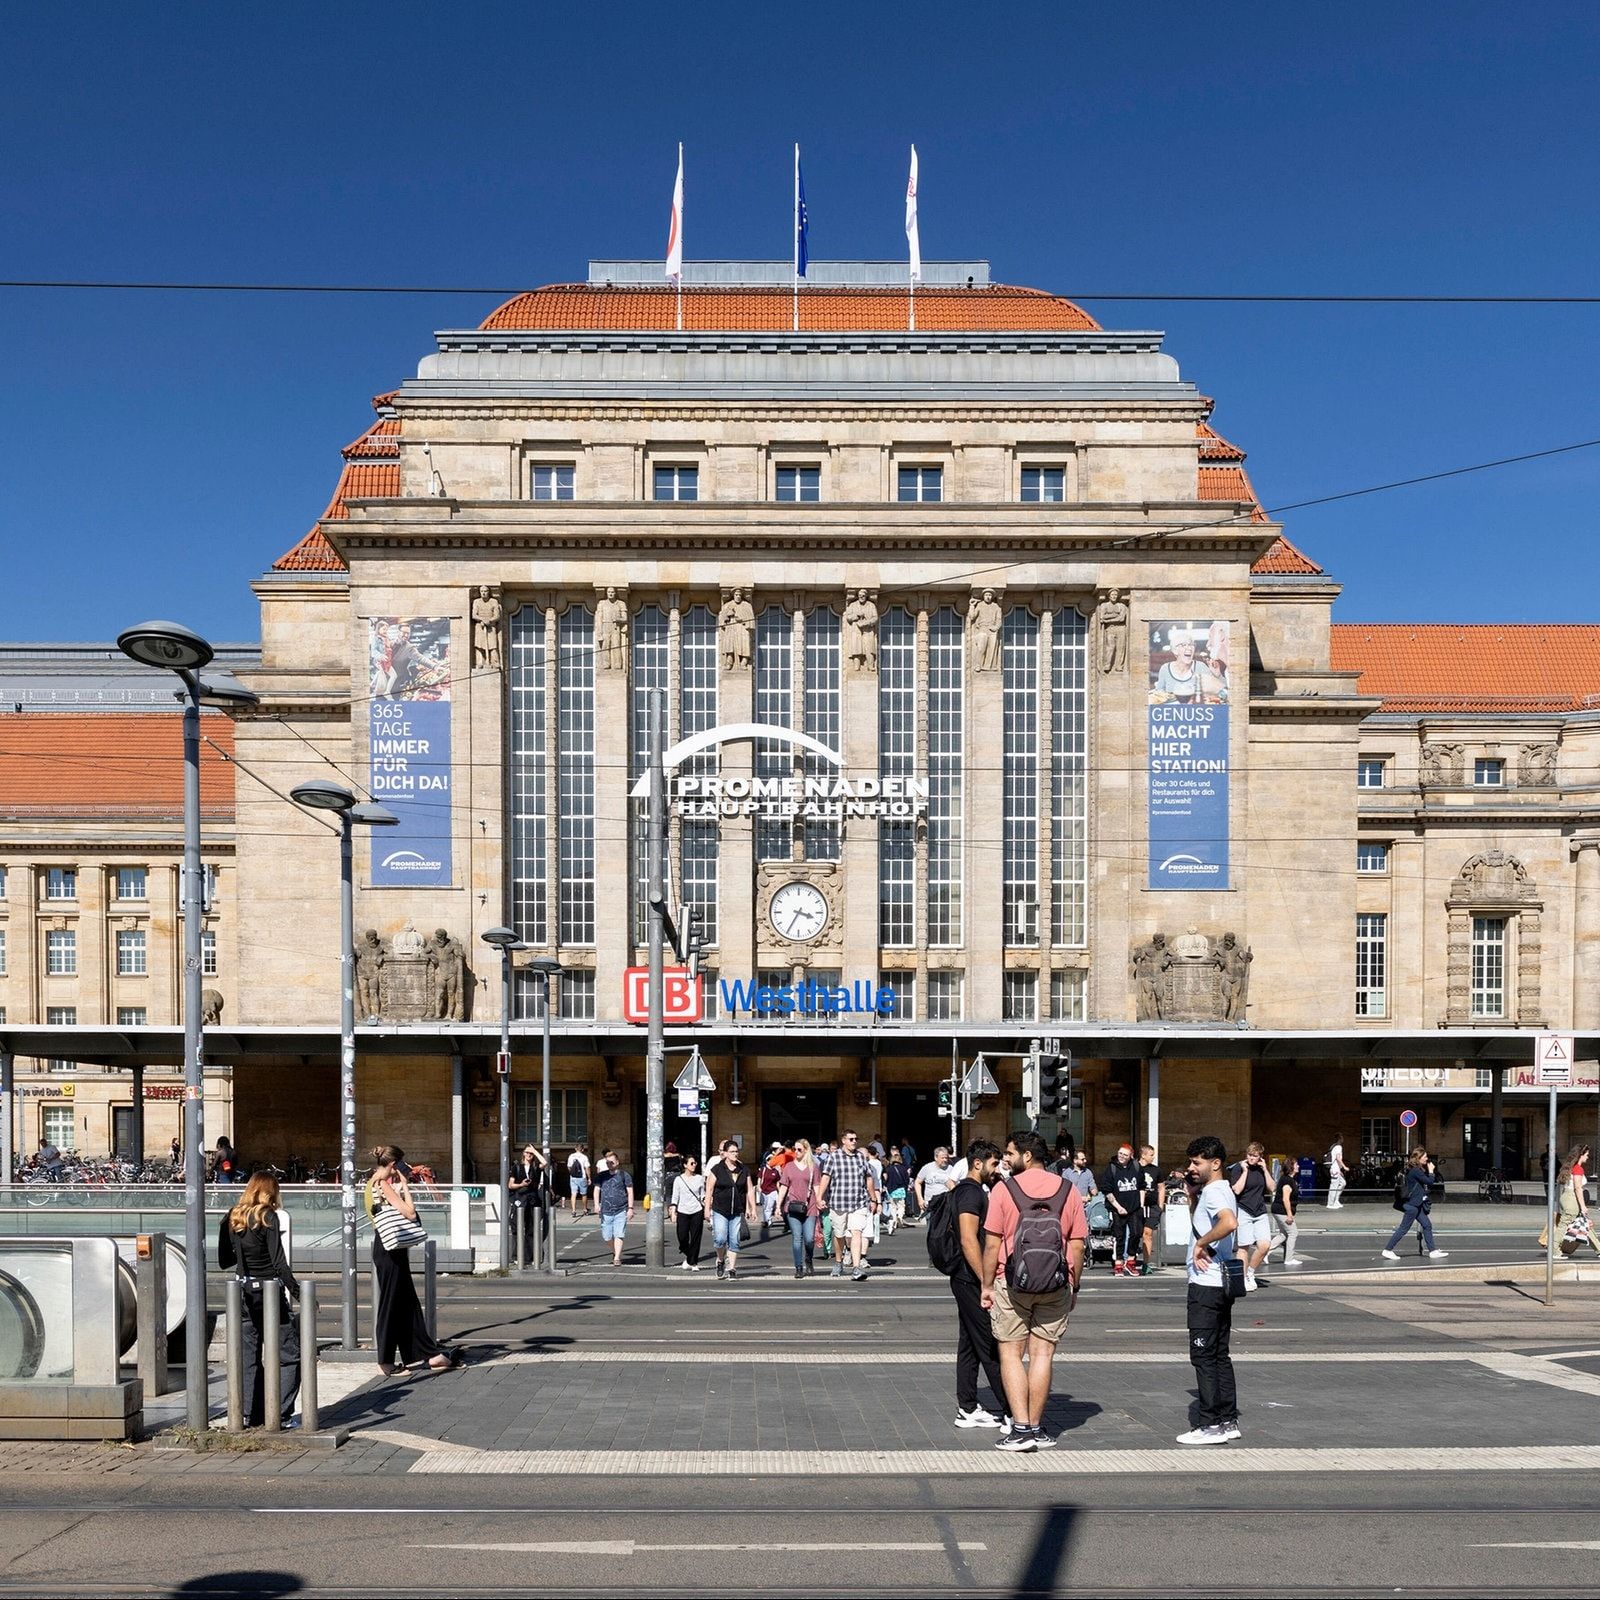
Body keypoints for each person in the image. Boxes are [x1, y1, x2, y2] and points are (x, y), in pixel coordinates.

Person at [980, 1131, 1088, 1452]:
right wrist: (1075, 1283)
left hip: (1012, 1282)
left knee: (1011, 1354)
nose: (1006, 1159)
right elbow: (1078, 1245)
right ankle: (1038, 1428)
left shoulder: (1003, 1190)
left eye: (1010, 1153)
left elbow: (992, 1243)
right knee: (1043, 1355)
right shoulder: (1068, 1191)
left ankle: (1021, 1429)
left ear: (1027, 1156)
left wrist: (987, 1284)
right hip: (1057, 1283)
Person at [216, 1172, 301, 1428]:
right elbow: (279, 1263)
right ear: (269, 1191)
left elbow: (224, 1261)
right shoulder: (268, 1216)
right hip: (270, 1294)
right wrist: (298, 1293)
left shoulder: (232, 1216)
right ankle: (281, 1415)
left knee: (248, 1355)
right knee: (289, 1355)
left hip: (243, 1294)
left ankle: (248, 1414)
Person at [367, 1146, 460, 1376]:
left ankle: (424, 1353)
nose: (403, 1168)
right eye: (401, 1164)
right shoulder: (383, 1184)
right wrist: (406, 1187)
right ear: (393, 1164)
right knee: (391, 1305)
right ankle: (385, 1362)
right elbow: (409, 1213)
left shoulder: (371, 1182)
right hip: (389, 1250)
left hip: (389, 1247)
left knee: (405, 1303)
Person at [1178, 1135, 1240, 1445]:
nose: (1191, 1167)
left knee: (1202, 1356)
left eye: (1196, 1162)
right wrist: (1192, 1199)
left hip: (1206, 1286)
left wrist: (1201, 1245)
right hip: (1221, 1285)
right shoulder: (1222, 1190)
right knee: (1219, 1355)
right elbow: (1207, 1224)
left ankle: (1210, 1425)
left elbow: (1228, 1224)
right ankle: (1228, 1420)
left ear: (1215, 1164)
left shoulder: (1215, 1192)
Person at [947, 1138, 1008, 1430]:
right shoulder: (970, 1193)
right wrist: (986, 1281)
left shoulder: (975, 1190)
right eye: (994, 1164)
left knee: (970, 1343)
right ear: (978, 1163)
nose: (998, 1169)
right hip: (970, 1278)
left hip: (965, 1277)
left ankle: (968, 1408)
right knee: (989, 1344)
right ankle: (1012, 1412)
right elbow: (968, 1238)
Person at [819, 1128, 879, 1281]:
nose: (854, 1142)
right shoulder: (833, 1157)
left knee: (856, 1232)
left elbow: (868, 1179)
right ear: (843, 1140)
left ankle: (856, 1267)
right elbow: (826, 1178)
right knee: (839, 1235)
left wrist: (873, 1199)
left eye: (856, 1139)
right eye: (851, 1139)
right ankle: (838, 1262)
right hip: (838, 1202)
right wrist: (819, 1197)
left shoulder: (860, 1157)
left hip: (858, 1202)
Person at [1383, 1148, 1448, 1260]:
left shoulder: (1413, 1169)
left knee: (1427, 1225)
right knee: (1403, 1228)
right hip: (1412, 1206)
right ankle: (1388, 1249)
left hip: (1416, 1204)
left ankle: (1432, 1251)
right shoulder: (1415, 1171)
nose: (1427, 1159)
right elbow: (1429, 1181)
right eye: (1425, 1157)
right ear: (1418, 1158)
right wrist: (1431, 1171)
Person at [708, 1138, 758, 1279]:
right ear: (725, 1153)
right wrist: (707, 1209)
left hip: (737, 1210)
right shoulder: (717, 1169)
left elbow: (750, 1189)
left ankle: (732, 1268)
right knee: (720, 1239)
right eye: (732, 1152)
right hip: (720, 1209)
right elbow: (709, 1189)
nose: (735, 1154)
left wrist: (752, 1208)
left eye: (736, 1151)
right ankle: (720, 1260)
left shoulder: (743, 1169)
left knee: (734, 1240)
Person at [1227, 1141, 1273, 1291]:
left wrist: (1265, 1170)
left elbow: (1272, 1188)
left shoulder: (1261, 1169)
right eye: (1249, 1155)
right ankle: (1242, 1278)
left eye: (1255, 1156)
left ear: (1260, 1157)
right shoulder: (1238, 1168)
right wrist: (1245, 1171)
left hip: (1259, 1210)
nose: (1251, 1158)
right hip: (1244, 1210)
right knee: (1243, 1247)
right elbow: (1237, 1190)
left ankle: (1250, 1272)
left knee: (1265, 1245)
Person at [777, 1138, 824, 1278]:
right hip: (792, 1207)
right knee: (797, 1238)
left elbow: (817, 1186)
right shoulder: (789, 1167)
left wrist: (820, 1200)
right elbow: (784, 1187)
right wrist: (778, 1206)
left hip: (809, 1207)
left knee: (809, 1238)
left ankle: (808, 1259)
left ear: (806, 1150)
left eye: (799, 1149)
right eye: (794, 1149)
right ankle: (798, 1267)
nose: (796, 1152)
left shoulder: (813, 1167)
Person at [1101, 1143, 1142, 1275]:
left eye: (1125, 1154)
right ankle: (1118, 1262)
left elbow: (1142, 1186)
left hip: (1134, 1207)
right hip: (1117, 1208)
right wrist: (1118, 1207)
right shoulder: (1111, 1168)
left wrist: (1140, 1204)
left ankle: (1130, 1260)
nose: (1122, 1156)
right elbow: (1107, 1190)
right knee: (1119, 1236)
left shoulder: (1136, 1166)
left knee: (1136, 1233)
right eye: (1120, 1153)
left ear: (1131, 1156)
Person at [508, 1144, 550, 1264]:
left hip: (532, 1200)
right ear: (523, 1154)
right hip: (520, 1199)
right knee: (517, 1228)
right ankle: (516, 1256)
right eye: (527, 1152)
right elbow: (510, 1185)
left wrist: (535, 1151)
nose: (529, 1155)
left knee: (531, 1229)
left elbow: (545, 1163)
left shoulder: (536, 1167)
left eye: (530, 1153)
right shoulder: (516, 1167)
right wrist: (521, 1184)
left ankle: (529, 1256)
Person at [595, 1149, 634, 1266]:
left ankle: (617, 1257)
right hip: (605, 1210)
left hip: (620, 1209)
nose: (609, 1164)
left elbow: (630, 1192)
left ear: (617, 1162)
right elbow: (596, 1190)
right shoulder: (601, 1176)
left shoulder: (624, 1175)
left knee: (619, 1234)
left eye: (611, 1162)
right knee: (607, 1236)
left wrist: (630, 1208)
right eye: (607, 1163)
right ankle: (614, 1251)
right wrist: (597, 1204)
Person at [669, 1153, 706, 1270]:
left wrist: (707, 1204)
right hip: (683, 1211)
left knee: (696, 1237)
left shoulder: (700, 1178)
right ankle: (689, 1255)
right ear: (685, 1165)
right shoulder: (678, 1180)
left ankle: (693, 1262)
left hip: (697, 1210)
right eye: (691, 1163)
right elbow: (675, 1197)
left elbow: (703, 1195)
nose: (694, 1165)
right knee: (682, 1237)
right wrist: (673, 1211)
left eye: (695, 1163)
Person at [1138, 1144, 1166, 1275]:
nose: (1153, 1157)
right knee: (1134, 1234)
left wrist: (1160, 1205)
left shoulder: (1156, 1170)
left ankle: (1146, 1262)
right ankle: (1128, 1260)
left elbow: (1161, 1188)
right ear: (1143, 1155)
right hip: (1137, 1206)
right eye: (1151, 1154)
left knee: (1147, 1234)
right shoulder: (1134, 1168)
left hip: (1152, 1206)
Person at [1270, 1156, 1303, 1266]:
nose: (1298, 1166)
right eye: (1296, 1164)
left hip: (1277, 1210)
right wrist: (1289, 1214)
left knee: (1284, 1234)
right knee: (1293, 1232)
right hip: (1281, 1211)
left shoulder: (1287, 1179)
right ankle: (1289, 1259)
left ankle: (1265, 1252)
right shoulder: (1288, 1181)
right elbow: (1285, 1198)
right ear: (1291, 1167)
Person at [913, 1148, 956, 1218]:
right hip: (930, 1204)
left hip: (945, 1205)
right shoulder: (927, 1168)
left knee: (943, 1228)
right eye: (942, 1158)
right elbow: (917, 1182)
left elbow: (954, 1186)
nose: (945, 1160)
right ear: (936, 1157)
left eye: (946, 1158)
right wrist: (920, 1199)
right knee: (931, 1227)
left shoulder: (951, 1169)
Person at [758, 1144, 784, 1238]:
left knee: (776, 1203)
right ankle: (767, 1220)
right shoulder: (764, 1169)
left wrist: (780, 1190)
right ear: (768, 1161)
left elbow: (778, 1181)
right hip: (765, 1190)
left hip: (773, 1190)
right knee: (766, 1207)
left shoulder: (775, 1171)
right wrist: (758, 1187)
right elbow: (760, 1179)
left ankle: (773, 1217)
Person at [883, 1148, 912, 1233]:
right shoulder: (903, 1169)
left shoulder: (889, 1169)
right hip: (901, 1189)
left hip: (892, 1189)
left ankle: (894, 1219)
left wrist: (886, 1186)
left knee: (893, 1206)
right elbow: (907, 1179)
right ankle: (900, 1216)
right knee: (901, 1205)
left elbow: (886, 1179)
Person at [567, 1142, 591, 1217]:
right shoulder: (584, 1157)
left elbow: (569, 1167)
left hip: (573, 1177)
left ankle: (573, 1211)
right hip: (582, 1177)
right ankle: (585, 1209)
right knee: (584, 1194)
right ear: (583, 1149)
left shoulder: (571, 1156)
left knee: (573, 1194)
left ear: (575, 1149)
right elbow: (587, 1168)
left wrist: (571, 1173)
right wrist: (589, 1178)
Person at [1326, 1135, 1349, 1209]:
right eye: (1342, 1138)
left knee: (1343, 1183)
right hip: (1335, 1169)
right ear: (1340, 1139)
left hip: (1336, 1169)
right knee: (1334, 1186)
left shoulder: (1333, 1146)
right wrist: (1344, 1167)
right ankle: (1330, 1203)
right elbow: (1338, 1158)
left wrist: (1340, 1170)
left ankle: (1336, 1200)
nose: (1343, 1139)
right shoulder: (1338, 1147)